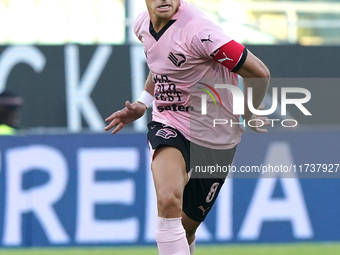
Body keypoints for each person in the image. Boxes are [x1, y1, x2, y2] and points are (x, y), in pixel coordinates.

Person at [105, 0, 270, 254]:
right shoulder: (141, 25)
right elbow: (161, 67)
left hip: (217, 138)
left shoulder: (200, 33)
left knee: (185, 227)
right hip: (170, 122)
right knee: (168, 201)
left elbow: (259, 73)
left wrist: (249, 111)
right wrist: (143, 102)